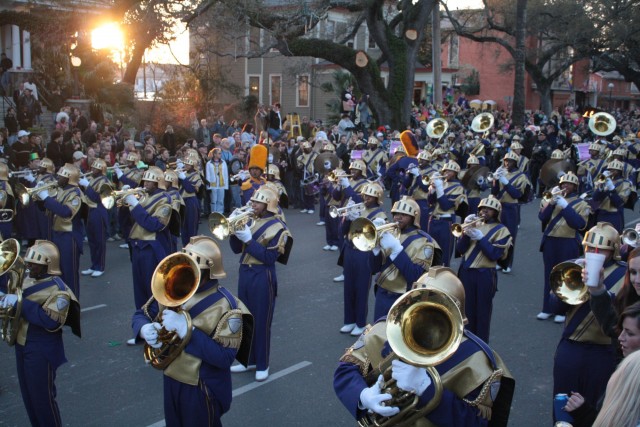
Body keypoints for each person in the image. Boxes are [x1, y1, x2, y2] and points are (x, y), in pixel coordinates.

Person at [334, 266, 515, 427]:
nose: (427, 323)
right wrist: (363, 396)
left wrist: (427, 390)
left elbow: (477, 422)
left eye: (436, 314)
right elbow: (345, 371)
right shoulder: (383, 330)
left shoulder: (475, 359)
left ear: (458, 318)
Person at [132, 236, 253, 427]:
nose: (183, 274)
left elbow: (224, 357)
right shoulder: (172, 289)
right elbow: (142, 314)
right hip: (171, 379)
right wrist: (144, 329)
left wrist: (187, 330)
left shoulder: (229, 306)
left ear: (209, 271)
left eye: (193, 269)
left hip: (201, 387)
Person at [551, 222, 627, 425]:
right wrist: (569, 283)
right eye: (589, 248)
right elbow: (555, 308)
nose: (592, 252)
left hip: (603, 352)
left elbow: (623, 318)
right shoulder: (572, 266)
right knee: (562, 405)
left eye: (600, 250)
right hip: (571, 347)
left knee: (594, 409)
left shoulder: (625, 275)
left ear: (613, 251)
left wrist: (602, 293)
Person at [0, 240, 80, 426]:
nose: (28, 267)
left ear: (48, 265)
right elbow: (16, 301)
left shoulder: (60, 292)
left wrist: (17, 302)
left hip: (41, 349)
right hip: (22, 344)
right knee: (29, 398)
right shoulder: (27, 279)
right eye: (28, 263)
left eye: (34, 264)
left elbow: (50, 320)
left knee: (43, 401)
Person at [229, 186, 293, 382]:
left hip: (262, 274)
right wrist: (234, 229)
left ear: (268, 204)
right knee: (245, 318)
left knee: (262, 321)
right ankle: (246, 360)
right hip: (245, 273)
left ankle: (262, 363)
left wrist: (249, 239)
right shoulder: (249, 220)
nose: (252, 204)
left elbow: (269, 257)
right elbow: (234, 249)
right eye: (253, 201)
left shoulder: (279, 228)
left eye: (257, 202)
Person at [371, 196, 442, 320]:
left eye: (404, 214)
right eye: (396, 213)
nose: (398, 217)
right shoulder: (389, 234)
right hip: (382, 293)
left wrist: (396, 250)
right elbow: (373, 268)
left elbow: (415, 276)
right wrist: (375, 248)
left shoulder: (425, 241)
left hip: (403, 298)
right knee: (378, 333)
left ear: (414, 217)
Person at [125, 166, 172, 345]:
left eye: (149, 181)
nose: (145, 183)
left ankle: (160, 330)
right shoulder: (145, 197)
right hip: (138, 246)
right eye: (144, 180)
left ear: (158, 181)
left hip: (152, 249)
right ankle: (142, 328)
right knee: (140, 292)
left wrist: (135, 206)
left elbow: (155, 225)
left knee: (154, 292)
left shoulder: (166, 200)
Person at [456, 195, 512, 342]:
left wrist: (481, 238)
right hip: (466, 273)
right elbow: (460, 249)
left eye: (489, 210)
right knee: (465, 311)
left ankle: (481, 347)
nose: (484, 212)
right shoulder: (474, 224)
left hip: (484, 274)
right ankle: (465, 343)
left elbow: (494, 255)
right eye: (482, 209)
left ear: (496, 212)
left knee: (482, 313)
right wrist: (465, 234)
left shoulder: (502, 230)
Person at [537, 172, 591, 323]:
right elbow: (542, 217)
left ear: (575, 186)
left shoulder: (581, 203)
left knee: (565, 276)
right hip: (550, 241)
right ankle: (547, 308)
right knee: (549, 275)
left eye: (569, 184)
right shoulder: (551, 198)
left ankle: (562, 310)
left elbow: (579, 225)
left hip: (568, 242)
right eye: (563, 184)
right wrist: (552, 203)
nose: (565, 186)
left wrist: (566, 207)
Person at [338, 181, 387, 335]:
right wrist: (348, 218)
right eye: (365, 195)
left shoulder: (380, 215)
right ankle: (349, 320)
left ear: (377, 198)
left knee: (361, 288)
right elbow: (342, 231)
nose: (366, 198)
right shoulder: (356, 208)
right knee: (349, 287)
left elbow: (376, 238)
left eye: (370, 196)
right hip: (350, 250)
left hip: (364, 253)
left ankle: (360, 322)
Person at [39, 163, 84, 299]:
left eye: (61, 176)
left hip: (69, 237)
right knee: (57, 272)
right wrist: (39, 198)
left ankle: (73, 305)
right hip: (57, 234)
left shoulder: (76, 194)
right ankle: (62, 303)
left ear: (69, 178)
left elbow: (65, 212)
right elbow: (49, 210)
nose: (58, 178)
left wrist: (46, 198)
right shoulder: (61, 190)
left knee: (69, 273)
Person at [491, 151, 531, 273]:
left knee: (509, 236)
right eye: (506, 161)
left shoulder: (521, 177)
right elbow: (495, 192)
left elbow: (517, 194)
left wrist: (506, 182)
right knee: (497, 235)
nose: (507, 163)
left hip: (510, 207)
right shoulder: (502, 172)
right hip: (499, 207)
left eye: (510, 161)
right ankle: (499, 261)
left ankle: (507, 263)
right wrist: (495, 180)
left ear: (516, 163)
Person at [427, 160, 468, 267]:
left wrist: (439, 188)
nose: (446, 173)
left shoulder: (459, 187)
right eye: (445, 170)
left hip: (446, 222)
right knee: (430, 250)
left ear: (456, 173)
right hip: (433, 220)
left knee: (443, 253)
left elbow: (446, 206)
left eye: (450, 171)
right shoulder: (442, 182)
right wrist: (432, 190)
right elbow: (430, 202)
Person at [79, 159, 111, 278]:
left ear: (101, 169)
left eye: (95, 168)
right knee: (92, 241)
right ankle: (93, 265)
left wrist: (86, 185)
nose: (92, 170)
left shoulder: (104, 181)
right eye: (92, 167)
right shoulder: (93, 179)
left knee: (99, 241)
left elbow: (97, 198)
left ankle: (100, 266)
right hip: (90, 210)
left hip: (98, 210)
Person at [179, 152, 203, 247]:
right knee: (183, 227)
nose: (186, 165)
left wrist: (184, 179)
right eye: (185, 163)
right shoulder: (182, 173)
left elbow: (191, 189)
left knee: (191, 227)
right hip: (182, 202)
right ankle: (185, 246)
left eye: (188, 164)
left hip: (191, 202)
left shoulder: (196, 175)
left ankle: (192, 248)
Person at [206, 147, 228, 215]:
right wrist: (208, 186)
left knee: (221, 200)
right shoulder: (209, 163)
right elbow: (208, 174)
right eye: (219, 153)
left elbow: (225, 174)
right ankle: (214, 213)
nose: (220, 154)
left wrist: (226, 185)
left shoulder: (223, 162)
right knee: (213, 200)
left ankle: (220, 213)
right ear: (214, 154)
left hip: (221, 184)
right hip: (213, 185)